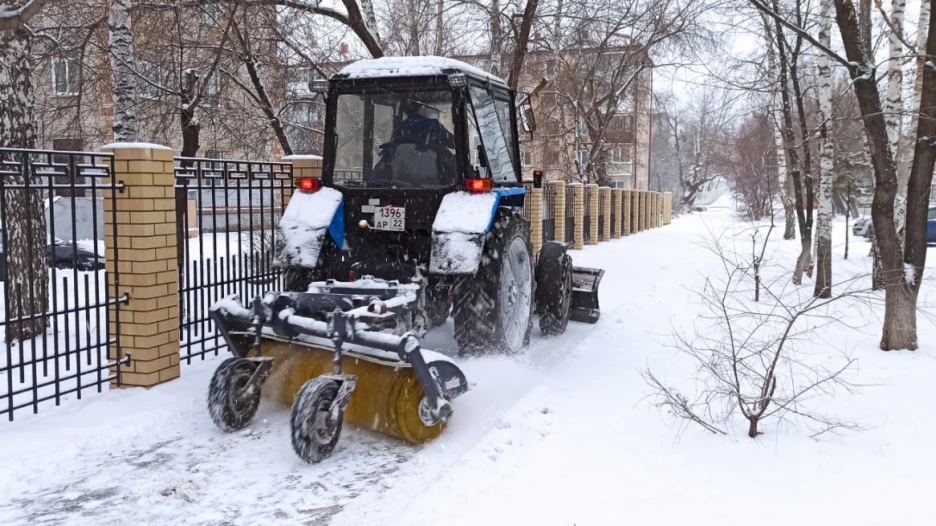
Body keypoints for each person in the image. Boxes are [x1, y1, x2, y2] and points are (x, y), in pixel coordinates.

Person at [391, 99, 455, 150]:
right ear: (421, 107)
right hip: (431, 165)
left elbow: (392, 150)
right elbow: (453, 143)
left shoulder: (399, 128)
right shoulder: (432, 125)